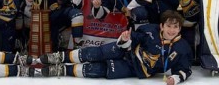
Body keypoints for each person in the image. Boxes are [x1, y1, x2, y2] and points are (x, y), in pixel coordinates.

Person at [35, 10, 193, 84]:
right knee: (97, 52)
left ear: (180, 28)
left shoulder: (182, 47)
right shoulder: (151, 30)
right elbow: (134, 38)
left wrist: (175, 78)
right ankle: (60, 57)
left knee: (101, 70)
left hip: (136, 68)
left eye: (176, 27)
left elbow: (186, 69)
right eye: (169, 26)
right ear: (162, 26)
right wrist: (125, 39)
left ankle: (63, 69)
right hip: (126, 49)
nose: (172, 30)